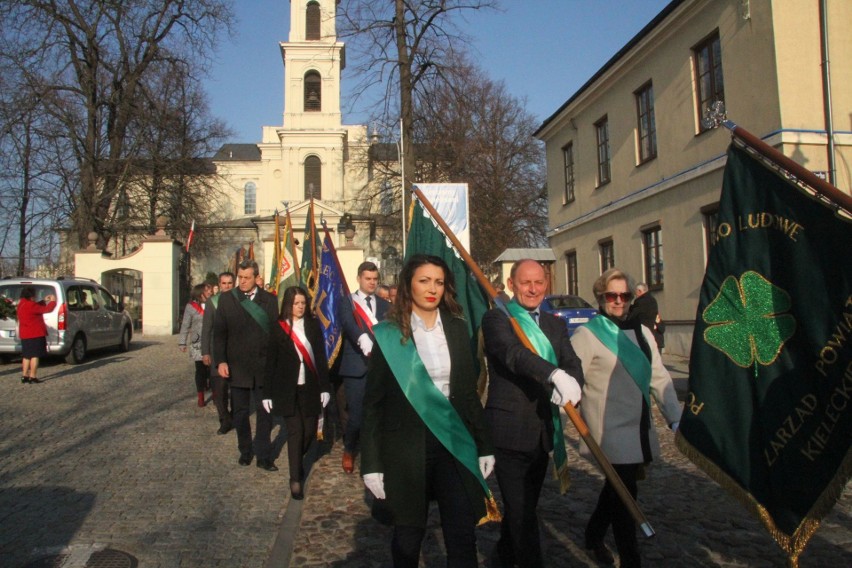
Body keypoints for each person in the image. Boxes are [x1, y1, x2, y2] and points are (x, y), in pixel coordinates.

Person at [361, 255, 497, 567]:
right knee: (408, 540)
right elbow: (373, 405)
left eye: (438, 282)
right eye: (424, 281)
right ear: (409, 284)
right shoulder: (388, 334)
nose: (432, 289)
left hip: (452, 441)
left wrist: (484, 445)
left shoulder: (457, 328)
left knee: (462, 537)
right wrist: (371, 463)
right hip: (406, 449)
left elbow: (466, 393)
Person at [570, 268, 682, 567]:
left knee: (618, 489)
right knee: (624, 495)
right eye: (612, 295)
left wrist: (675, 418)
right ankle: (631, 559)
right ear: (601, 297)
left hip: (639, 427)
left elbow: (659, 378)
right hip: (608, 429)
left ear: (632, 298)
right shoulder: (587, 334)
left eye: (624, 295)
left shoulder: (643, 333)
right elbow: (571, 381)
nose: (618, 301)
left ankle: (593, 535)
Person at [482, 259, 583, 568]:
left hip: (542, 430)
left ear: (546, 284)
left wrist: (574, 383)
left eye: (539, 282)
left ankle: (503, 555)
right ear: (512, 284)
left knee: (523, 507)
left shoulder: (555, 323)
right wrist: (553, 374)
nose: (533, 289)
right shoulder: (498, 318)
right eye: (526, 282)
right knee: (523, 512)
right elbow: (514, 355)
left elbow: (572, 361)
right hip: (508, 430)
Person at [263, 286, 331, 500]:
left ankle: (296, 459)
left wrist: (326, 388)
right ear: (288, 305)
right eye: (296, 303)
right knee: (295, 431)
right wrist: (266, 393)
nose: (300, 307)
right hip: (286, 389)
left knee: (309, 432)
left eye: (303, 303)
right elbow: (270, 363)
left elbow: (320, 358)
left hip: (309, 388)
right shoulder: (278, 327)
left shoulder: (312, 326)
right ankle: (295, 479)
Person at [213, 260, 280, 471]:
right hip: (237, 366)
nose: (242, 282)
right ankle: (245, 450)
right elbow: (219, 334)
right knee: (240, 413)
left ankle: (263, 454)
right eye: (240, 277)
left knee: (265, 413)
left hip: (263, 366)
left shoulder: (269, 300)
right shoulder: (226, 300)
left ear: (256, 277)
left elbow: (274, 335)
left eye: (247, 278)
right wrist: (221, 361)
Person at [338, 261, 391, 473]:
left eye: (375, 279)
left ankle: (374, 456)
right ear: (359, 278)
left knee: (378, 414)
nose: (371, 283)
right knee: (357, 417)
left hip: (379, 366)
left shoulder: (385, 304)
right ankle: (349, 449)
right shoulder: (347, 302)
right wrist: (361, 336)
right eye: (368, 279)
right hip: (355, 367)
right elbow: (348, 324)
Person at [202, 272, 235, 434]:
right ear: (219, 285)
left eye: (230, 283)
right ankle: (225, 419)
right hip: (216, 352)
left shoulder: (240, 301)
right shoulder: (212, 302)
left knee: (236, 389)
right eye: (224, 283)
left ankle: (236, 415)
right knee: (219, 390)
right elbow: (206, 329)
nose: (227, 286)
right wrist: (205, 352)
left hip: (235, 352)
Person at [17, 287, 56, 384]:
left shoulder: (22, 303)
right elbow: (47, 309)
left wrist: (43, 301)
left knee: (26, 356)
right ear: (31, 296)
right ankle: (33, 376)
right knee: (35, 355)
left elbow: (35, 307)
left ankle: (24, 375)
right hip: (35, 333)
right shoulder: (31, 305)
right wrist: (52, 302)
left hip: (25, 334)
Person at [179, 283, 210, 407]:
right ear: (200, 292)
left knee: (212, 370)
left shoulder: (212, 304)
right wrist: (182, 342)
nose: (210, 292)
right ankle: (200, 395)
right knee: (200, 370)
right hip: (198, 343)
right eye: (207, 290)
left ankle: (215, 391)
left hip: (211, 341)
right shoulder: (191, 307)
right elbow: (185, 324)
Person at [626, 283, 664, 352]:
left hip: (644, 336)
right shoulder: (653, 300)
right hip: (654, 335)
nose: (635, 295)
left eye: (636, 292)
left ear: (640, 291)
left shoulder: (640, 301)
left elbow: (632, 316)